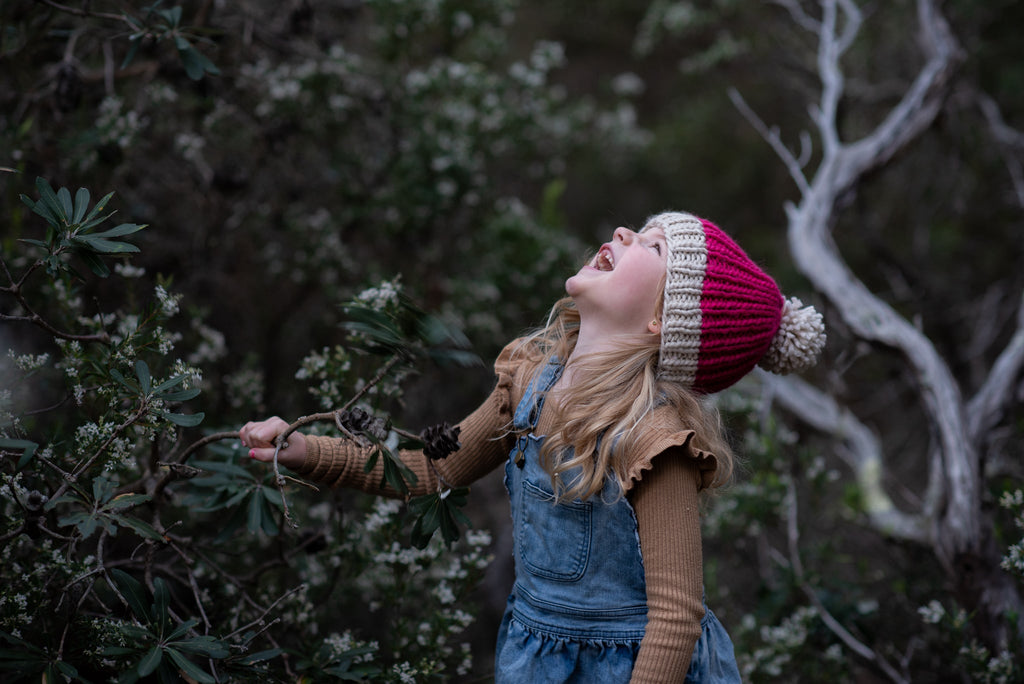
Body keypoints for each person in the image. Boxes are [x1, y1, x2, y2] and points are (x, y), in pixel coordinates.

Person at [239, 211, 826, 682]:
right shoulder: (530, 379)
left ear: (661, 321)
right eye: (640, 228)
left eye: (653, 247)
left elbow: (675, 618)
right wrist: (306, 451)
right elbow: (430, 470)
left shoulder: (654, 439)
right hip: (539, 658)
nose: (623, 232)